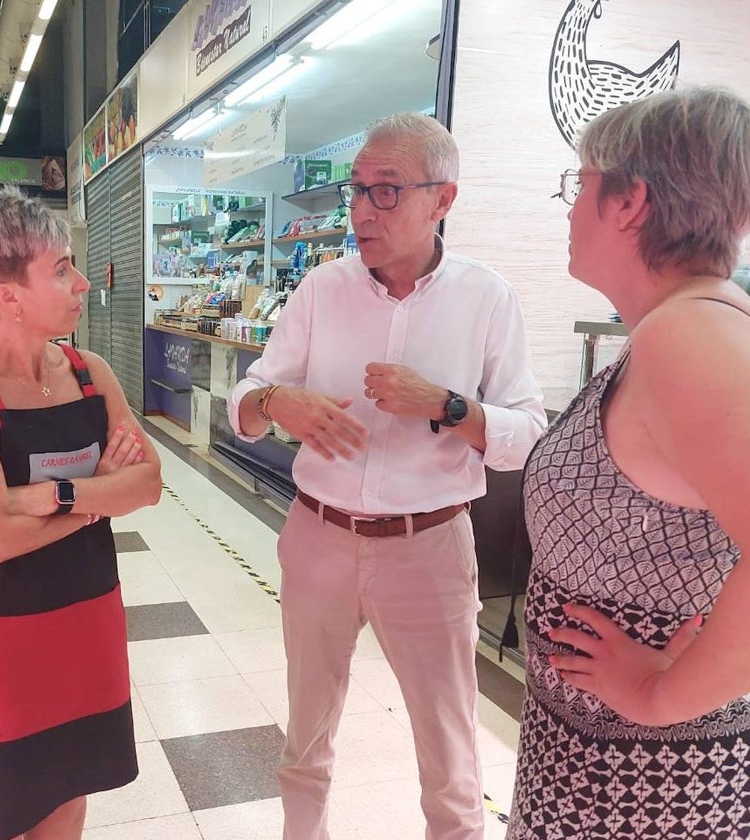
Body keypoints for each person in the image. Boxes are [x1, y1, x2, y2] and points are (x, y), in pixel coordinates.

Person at [508, 87, 750, 839]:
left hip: (645, 775)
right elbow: (715, 533)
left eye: (578, 184)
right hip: (604, 754)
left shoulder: (690, 336)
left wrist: (657, 698)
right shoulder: (690, 323)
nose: (569, 206)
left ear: (629, 201)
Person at [229, 113, 547, 840]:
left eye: (387, 192)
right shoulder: (319, 290)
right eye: (356, 190)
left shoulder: (486, 298)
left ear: (444, 199)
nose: (361, 210)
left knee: (449, 750)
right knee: (305, 734)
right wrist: (279, 402)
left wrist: (445, 404)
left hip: (430, 547)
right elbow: (243, 402)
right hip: (318, 537)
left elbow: (527, 435)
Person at [0, 186, 163, 840]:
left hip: (87, 623)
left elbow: (146, 484)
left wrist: (59, 496)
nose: (82, 281)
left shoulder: (92, 374)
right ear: (9, 297)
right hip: (2, 641)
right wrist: (96, 494)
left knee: (69, 799)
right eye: (61, 269)